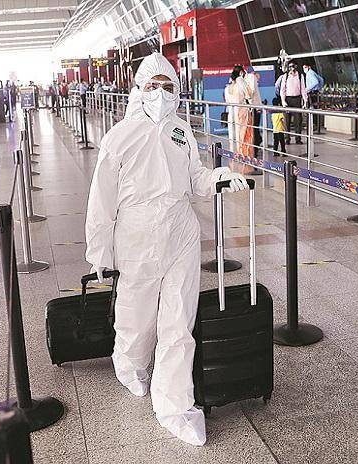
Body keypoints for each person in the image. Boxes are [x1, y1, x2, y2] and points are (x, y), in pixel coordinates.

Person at [85, 52, 249, 447]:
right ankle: (129, 365)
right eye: (152, 86)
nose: (160, 94)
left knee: (178, 322)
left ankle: (175, 405)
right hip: (136, 237)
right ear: (138, 90)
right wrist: (100, 255)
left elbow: (194, 179)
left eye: (167, 86)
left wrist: (220, 178)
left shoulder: (181, 131)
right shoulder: (119, 138)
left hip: (180, 234)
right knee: (136, 315)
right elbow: (101, 202)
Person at [280, 61, 308, 144]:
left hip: (297, 99)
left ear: (296, 67)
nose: (291, 68)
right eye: (290, 67)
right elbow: (283, 89)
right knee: (287, 120)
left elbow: (303, 89)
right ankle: (287, 138)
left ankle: (298, 139)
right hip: (288, 99)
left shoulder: (300, 76)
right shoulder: (285, 76)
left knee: (298, 120)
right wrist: (283, 101)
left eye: (293, 66)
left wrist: (305, 101)